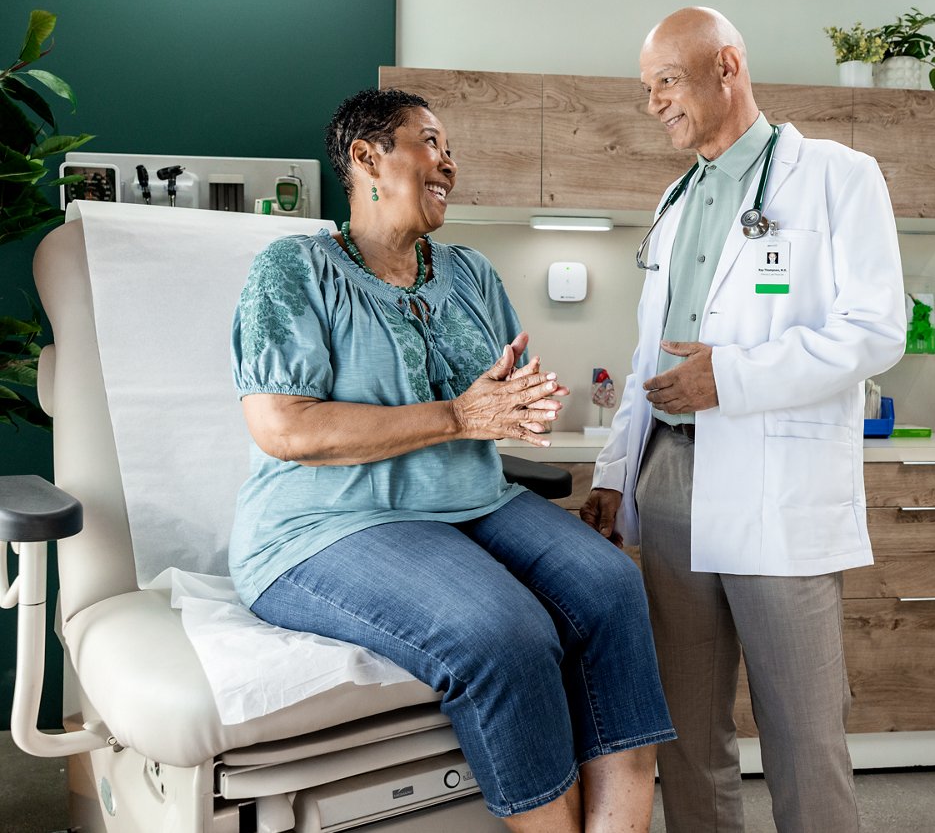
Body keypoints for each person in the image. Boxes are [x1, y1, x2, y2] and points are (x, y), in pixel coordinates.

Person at [229, 87, 674, 833]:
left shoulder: (468, 272)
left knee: (612, 588)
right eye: (429, 143)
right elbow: (285, 429)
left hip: (475, 500)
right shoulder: (294, 268)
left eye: (450, 149)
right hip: (327, 525)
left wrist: (516, 407)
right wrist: (459, 415)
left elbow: (492, 397)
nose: (449, 163)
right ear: (365, 156)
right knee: (506, 631)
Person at [580, 7, 906, 833]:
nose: (654, 103)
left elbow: (877, 330)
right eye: (647, 87)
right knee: (688, 733)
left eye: (667, 81)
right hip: (672, 480)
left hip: (775, 484)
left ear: (726, 67)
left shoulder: (837, 176)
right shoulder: (676, 198)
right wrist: (617, 475)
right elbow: (648, 351)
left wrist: (733, 376)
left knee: (804, 733)